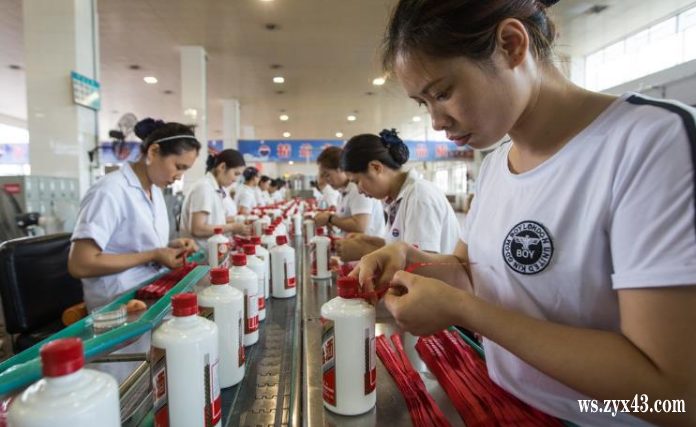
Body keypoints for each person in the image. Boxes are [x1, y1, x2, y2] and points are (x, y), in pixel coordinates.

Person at [354, 1, 696, 426]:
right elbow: (471, 271)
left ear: (512, 45)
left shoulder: (651, 142)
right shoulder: (498, 163)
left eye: (442, 92)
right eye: (424, 103)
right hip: (504, 400)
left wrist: (465, 311)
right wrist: (408, 259)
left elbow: (674, 393)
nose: (437, 121)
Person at [68, 118, 200, 310]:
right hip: (117, 305)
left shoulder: (155, 190)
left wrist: (169, 248)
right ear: (154, 152)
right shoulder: (109, 191)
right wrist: (154, 254)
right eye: (178, 167)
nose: (179, 176)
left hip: (150, 290)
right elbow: (80, 264)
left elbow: (132, 246)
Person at [340, 129, 459, 254]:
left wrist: (364, 251)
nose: (359, 191)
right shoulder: (397, 199)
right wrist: (370, 241)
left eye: (357, 181)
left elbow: (421, 264)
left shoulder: (418, 196)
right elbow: (401, 247)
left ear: (376, 167)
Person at [314, 146, 386, 256]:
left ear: (339, 168)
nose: (327, 180)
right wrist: (330, 219)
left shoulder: (357, 188)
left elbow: (360, 226)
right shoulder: (343, 192)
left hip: (371, 254)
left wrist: (330, 218)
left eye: (327, 174)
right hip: (358, 255)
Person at [179, 149, 251, 253]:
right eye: (235, 173)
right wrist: (232, 227)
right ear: (222, 167)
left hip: (212, 253)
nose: (236, 179)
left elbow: (213, 220)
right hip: (200, 257)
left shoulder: (215, 188)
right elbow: (197, 229)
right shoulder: (204, 188)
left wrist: (237, 221)